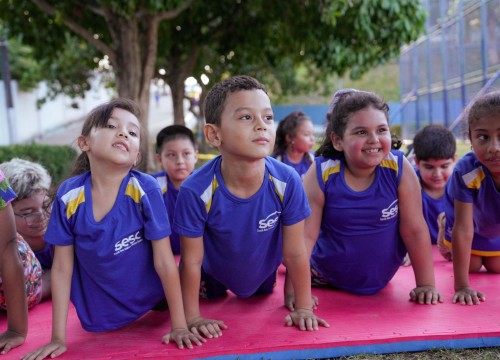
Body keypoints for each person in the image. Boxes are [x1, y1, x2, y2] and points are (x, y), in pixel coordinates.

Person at [22, 98, 203, 360]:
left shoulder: (144, 189)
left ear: (136, 156)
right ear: (84, 143)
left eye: (132, 132)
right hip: (99, 313)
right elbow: (62, 268)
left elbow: (165, 261)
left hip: (153, 304)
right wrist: (58, 338)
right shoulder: (69, 196)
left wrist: (179, 326)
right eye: (110, 126)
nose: (123, 133)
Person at [174, 75, 329, 339]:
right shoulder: (195, 190)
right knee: (194, 289)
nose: (261, 126)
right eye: (246, 117)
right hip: (210, 275)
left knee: (259, 292)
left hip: (262, 275)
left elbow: (295, 252)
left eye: (267, 118)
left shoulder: (287, 180)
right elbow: (191, 261)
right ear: (214, 134)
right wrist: (192, 317)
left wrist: (302, 305)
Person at [301, 88, 443, 303]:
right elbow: (305, 237)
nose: (373, 139)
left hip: (382, 277)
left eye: (381, 130)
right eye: (361, 132)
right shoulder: (322, 172)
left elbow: (414, 230)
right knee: (286, 255)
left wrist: (426, 285)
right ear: (338, 140)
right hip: (324, 275)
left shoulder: (397, 167)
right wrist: (297, 294)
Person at [442, 90, 500, 306]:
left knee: (496, 267)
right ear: (470, 137)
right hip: (468, 225)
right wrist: (462, 286)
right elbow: (463, 229)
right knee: (471, 266)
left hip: (492, 226)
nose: (494, 148)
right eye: (483, 137)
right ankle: (442, 225)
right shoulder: (468, 171)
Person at [0, 158, 55, 298]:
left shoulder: (62, 230)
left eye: (46, 205)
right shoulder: (8, 247)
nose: (41, 216)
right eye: (28, 213)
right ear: (6, 215)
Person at [0, 169, 40, 354]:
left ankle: (47, 281)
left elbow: (8, 248)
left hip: (12, 267)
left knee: (34, 281)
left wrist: (16, 330)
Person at [412, 125, 457, 260]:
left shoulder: (464, 187)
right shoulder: (407, 186)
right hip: (419, 255)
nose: (437, 174)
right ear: (417, 162)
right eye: (429, 167)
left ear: (454, 160)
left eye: (444, 166)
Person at [152, 125, 198, 255]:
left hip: (202, 260)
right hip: (164, 259)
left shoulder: (208, 184)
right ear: (160, 159)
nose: (180, 161)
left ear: (196, 155)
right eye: (171, 155)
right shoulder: (151, 188)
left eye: (186, 154)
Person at [272, 110, 315, 178]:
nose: (312, 139)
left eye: (313, 134)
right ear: (289, 137)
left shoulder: (314, 160)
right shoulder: (275, 163)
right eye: (307, 134)